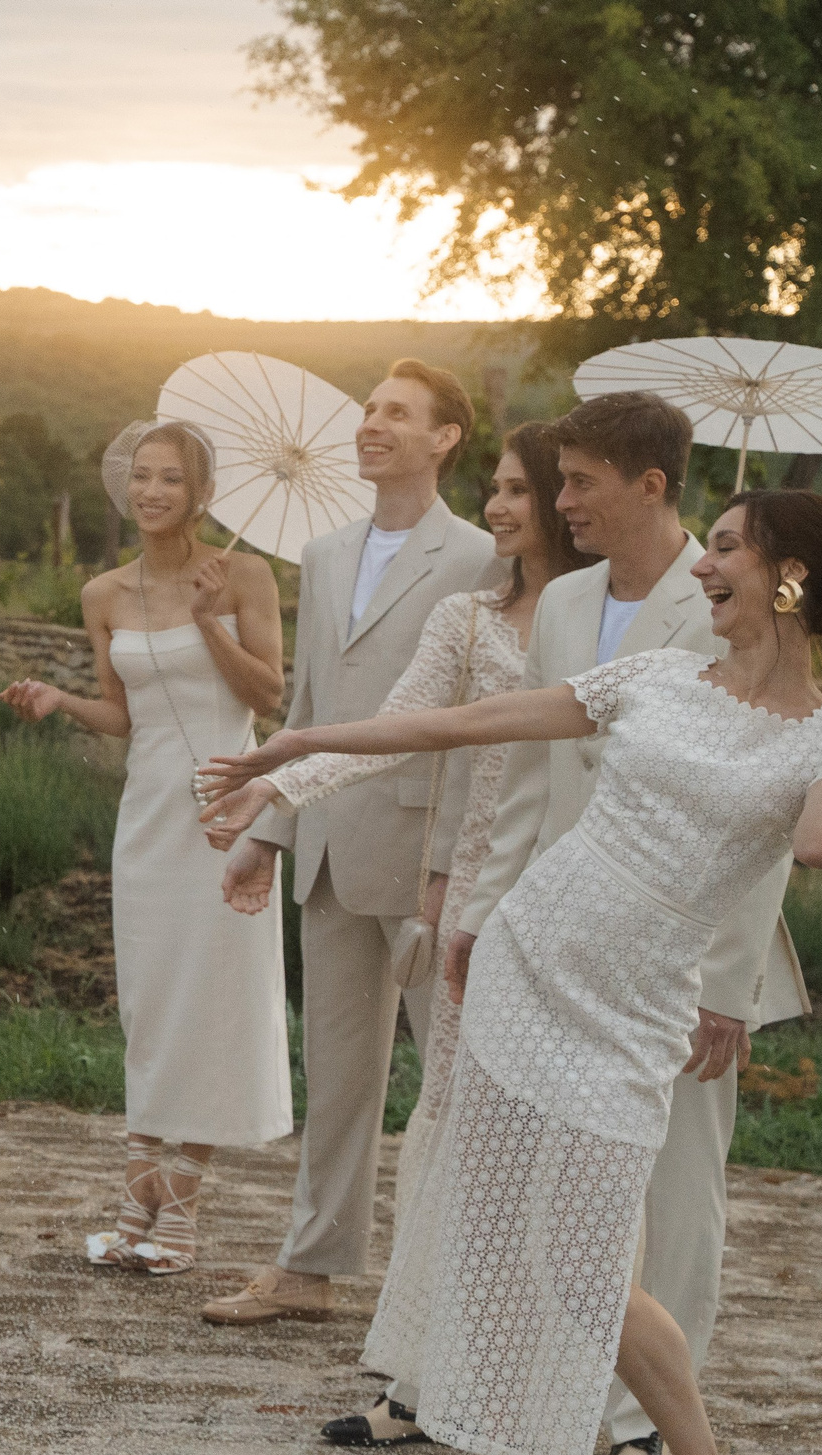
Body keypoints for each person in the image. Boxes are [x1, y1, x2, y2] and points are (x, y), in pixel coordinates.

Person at [198, 487, 822, 1455]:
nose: (701, 568)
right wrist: (305, 743)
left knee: (581, 1264)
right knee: (505, 1246)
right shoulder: (658, 677)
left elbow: (818, 846)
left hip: (631, 1012)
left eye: (723, 550)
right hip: (528, 967)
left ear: (786, 578)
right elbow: (462, 725)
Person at [446, 391, 805, 1455]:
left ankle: (648, 1434)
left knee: (676, 1189)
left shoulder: (734, 600)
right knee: (548, 1193)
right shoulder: (558, 602)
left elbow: (771, 834)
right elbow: (530, 781)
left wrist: (728, 991)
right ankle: (542, 1415)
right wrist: (482, 912)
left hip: (684, 957)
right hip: (554, 940)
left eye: (579, 481)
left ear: (651, 484)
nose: (559, 503)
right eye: (555, 481)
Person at [204, 421, 594, 1444]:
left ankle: (564, 1383)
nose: (498, 508)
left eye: (516, 492)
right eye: (495, 490)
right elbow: (396, 727)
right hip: (466, 895)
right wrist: (279, 782)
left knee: (546, 1141)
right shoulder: (468, 618)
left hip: (568, 899)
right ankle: (418, 1380)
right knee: (446, 1124)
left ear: (562, 502)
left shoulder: (604, 627)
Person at [204, 359, 502, 1327]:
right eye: (369, 410)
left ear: (444, 437)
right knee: (335, 1075)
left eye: (396, 414)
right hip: (328, 844)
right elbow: (308, 708)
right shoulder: (326, 552)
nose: (371, 424)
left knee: (455, 1076)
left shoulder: (478, 557)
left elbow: (478, 721)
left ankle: (458, 1285)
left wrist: (457, 862)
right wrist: (273, 828)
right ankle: (309, 1269)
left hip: (426, 854)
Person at [0, 421, 291, 1273]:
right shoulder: (103, 594)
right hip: (148, 816)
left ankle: (180, 1206)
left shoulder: (243, 576)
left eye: (172, 478)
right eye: (142, 476)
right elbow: (124, 717)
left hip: (222, 808)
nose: (152, 491)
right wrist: (59, 700)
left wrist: (209, 621)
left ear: (202, 493)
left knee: (213, 998)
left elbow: (267, 697)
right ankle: (135, 1193)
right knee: (151, 998)